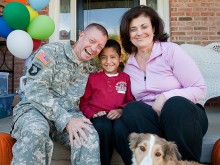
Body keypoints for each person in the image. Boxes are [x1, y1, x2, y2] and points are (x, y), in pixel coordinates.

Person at [114, 5, 208, 164]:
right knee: (130, 111)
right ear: (128, 34)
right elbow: (129, 99)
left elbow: (200, 89)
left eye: (144, 26)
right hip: (151, 121)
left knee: (174, 104)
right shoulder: (129, 64)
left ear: (154, 28)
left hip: (183, 117)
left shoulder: (171, 51)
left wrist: (165, 97)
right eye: (133, 29)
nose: (139, 32)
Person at [11, 23, 108, 165]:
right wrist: (66, 120)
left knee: (89, 136)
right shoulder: (51, 52)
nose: (94, 49)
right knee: (36, 131)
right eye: (92, 41)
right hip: (35, 110)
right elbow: (35, 90)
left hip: (70, 112)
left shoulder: (91, 67)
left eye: (99, 47)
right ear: (81, 35)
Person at [79, 39, 134, 165]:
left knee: (120, 130)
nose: (108, 62)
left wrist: (121, 110)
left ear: (120, 58)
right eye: (104, 57)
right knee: (104, 127)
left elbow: (130, 100)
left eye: (113, 57)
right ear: (99, 58)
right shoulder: (93, 78)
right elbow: (83, 102)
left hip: (118, 116)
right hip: (99, 117)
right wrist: (92, 114)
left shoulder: (125, 78)